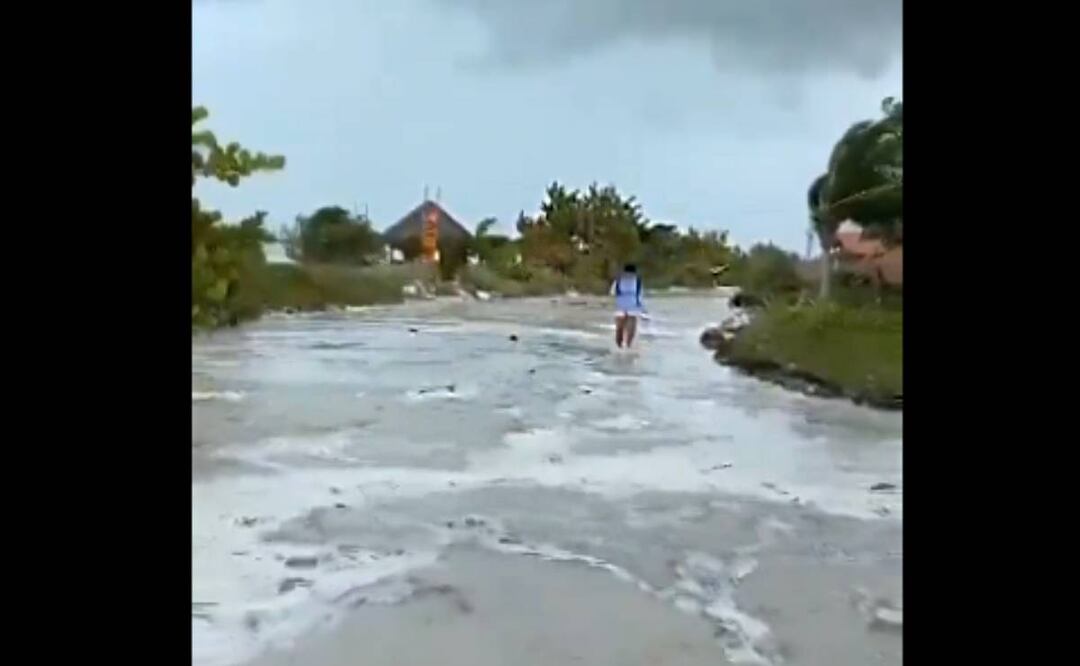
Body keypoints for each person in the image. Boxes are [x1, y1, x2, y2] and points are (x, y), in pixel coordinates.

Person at [610, 263, 644, 348]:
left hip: (621, 305)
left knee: (621, 328)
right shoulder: (637, 281)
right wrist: (641, 307)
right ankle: (626, 346)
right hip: (633, 305)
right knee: (629, 329)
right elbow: (640, 295)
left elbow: (612, 293)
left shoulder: (618, 280)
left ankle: (621, 347)